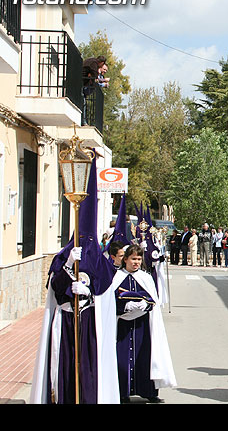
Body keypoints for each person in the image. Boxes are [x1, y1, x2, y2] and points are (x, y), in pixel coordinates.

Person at [30, 154, 119, 404]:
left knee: (88, 372)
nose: (86, 244)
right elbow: (55, 289)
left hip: (89, 324)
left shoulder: (100, 261)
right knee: (65, 370)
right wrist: (68, 267)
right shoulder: (63, 256)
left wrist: (89, 291)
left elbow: (104, 292)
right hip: (66, 322)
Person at [112, 244, 176, 403]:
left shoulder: (146, 277)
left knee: (145, 357)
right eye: (133, 259)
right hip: (122, 326)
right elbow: (109, 302)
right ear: (125, 259)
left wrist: (146, 305)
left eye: (139, 259)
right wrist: (125, 306)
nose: (136, 262)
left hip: (142, 325)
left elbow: (153, 300)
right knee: (122, 359)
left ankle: (149, 392)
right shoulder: (116, 277)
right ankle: (122, 393)